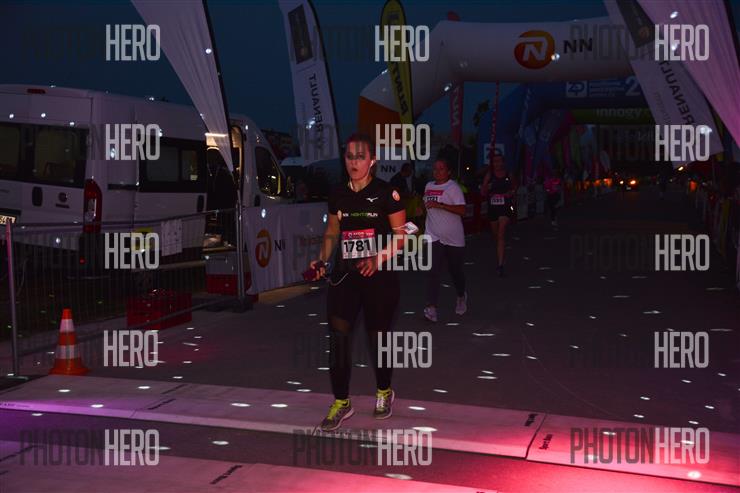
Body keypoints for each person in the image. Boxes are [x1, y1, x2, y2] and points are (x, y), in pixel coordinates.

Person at [308, 133, 407, 432]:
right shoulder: (338, 194)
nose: (354, 162)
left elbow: (402, 236)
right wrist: (321, 260)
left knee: (378, 339)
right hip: (345, 277)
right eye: (349, 156)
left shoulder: (388, 193)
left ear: (372, 160)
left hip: (380, 278)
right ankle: (342, 401)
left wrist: (378, 258)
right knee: (338, 339)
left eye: (360, 157)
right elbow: (332, 231)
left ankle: (384, 391)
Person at [422, 157, 467, 322]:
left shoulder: (453, 188)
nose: (437, 171)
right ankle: (431, 307)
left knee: (455, 271)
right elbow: (426, 207)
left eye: (441, 168)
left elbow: (462, 210)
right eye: (435, 168)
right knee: (432, 271)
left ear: (448, 172)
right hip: (433, 235)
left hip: (453, 238)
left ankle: (461, 295)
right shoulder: (428, 186)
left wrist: (440, 205)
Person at [481, 155, 516, 277]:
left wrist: (511, 193)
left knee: (501, 233)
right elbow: (483, 192)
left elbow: (515, 187)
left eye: (499, 161)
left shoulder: (508, 174)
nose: (497, 164)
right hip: (493, 208)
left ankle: (500, 265)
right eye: (495, 161)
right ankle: (501, 252)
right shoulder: (489, 175)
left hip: (505, 207)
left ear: (503, 162)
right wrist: (487, 187)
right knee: (496, 235)